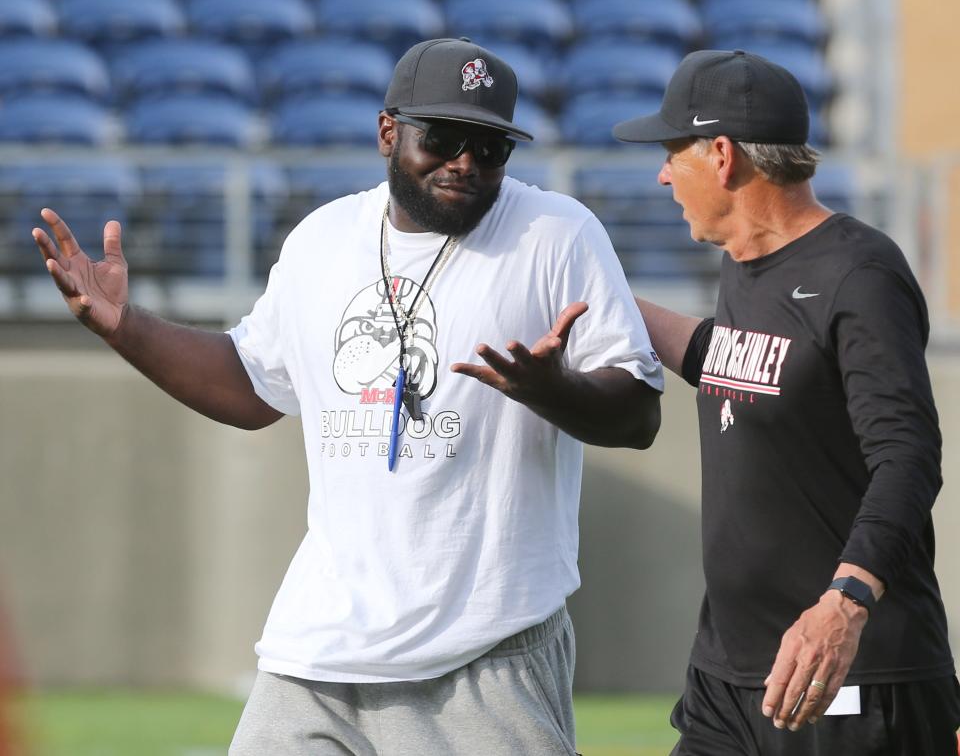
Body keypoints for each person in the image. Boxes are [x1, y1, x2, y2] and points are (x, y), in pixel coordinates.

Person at [33, 38, 663, 755]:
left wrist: (557, 392)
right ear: (388, 131)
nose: (467, 161)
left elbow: (639, 410)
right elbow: (251, 384)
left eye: (491, 147)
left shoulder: (556, 233)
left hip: (484, 651)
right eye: (446, 137)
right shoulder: (321, 240)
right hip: (318, 656)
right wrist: (126, 328)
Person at [613, 49, 960, 755]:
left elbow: (908, 456)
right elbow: (737, 363)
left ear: (720, 156)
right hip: (727, 673)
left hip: (847, 673)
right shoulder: (742, 264)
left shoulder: (859, 272)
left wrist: (846, 603)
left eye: (670, 151)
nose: (660, 173)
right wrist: (601, 301)